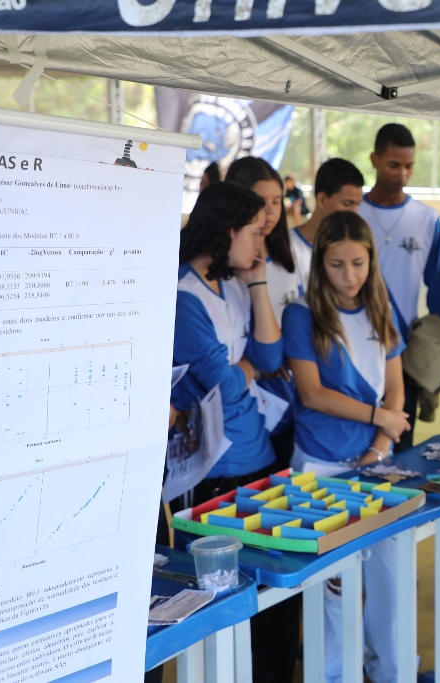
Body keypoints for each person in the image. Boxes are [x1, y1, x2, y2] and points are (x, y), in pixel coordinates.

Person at [171, 182, 298, 683]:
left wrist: (259, 282)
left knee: (274, 603)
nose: (261, 244)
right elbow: (223, 386)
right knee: (228, 606)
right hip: (214, 469)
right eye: (253, 233)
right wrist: (244, 368)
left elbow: (270, 355)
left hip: (258, 453)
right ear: (227, 231)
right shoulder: (184, 296)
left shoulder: (236, 283)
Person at [282, 210, 409, 683]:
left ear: (372, 260)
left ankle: (392, 672)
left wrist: (378, 447)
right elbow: (313, 393)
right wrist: (380, 419)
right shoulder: (302, 314)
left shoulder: (381, 307)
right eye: (337, 265)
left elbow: (396, 389)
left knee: (390, 583)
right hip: (322, 467)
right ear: (320, 263)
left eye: (358, 263)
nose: (350, 275)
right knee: (333, 592)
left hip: (377, 465)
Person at [359, 123, 440, 452]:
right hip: (355, 347)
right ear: (375, 160)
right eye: (393, 165)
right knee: (358, 439)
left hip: (404, 351)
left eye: (409, 166)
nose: (402, 174)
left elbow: (438, 288)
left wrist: (435, 348)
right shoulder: (354, 212)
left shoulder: (426, 219)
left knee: (400, 444)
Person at [226, 157, 302, 323]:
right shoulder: (226, 262)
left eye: (276, 201)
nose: (270, 210)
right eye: (260, 201)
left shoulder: (292, 251)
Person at [292, 158, 365, 286]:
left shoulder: (356, 247)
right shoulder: (288, 248)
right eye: (347, 204)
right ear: (322, 200)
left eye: (357, 205)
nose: (354, 212)